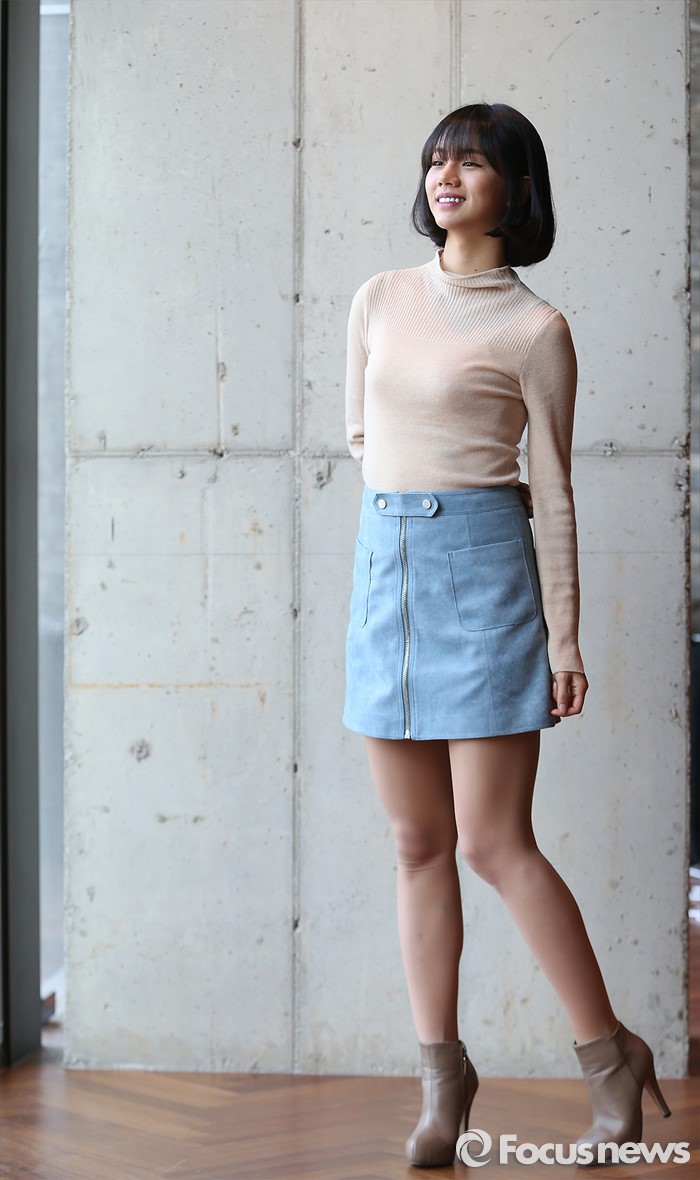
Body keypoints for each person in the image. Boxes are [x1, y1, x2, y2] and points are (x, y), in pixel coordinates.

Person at [342, 103, 671, 1168]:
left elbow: (556, 491)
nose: (446, 175)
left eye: (472, 162)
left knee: (493, 842)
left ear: (515, 189)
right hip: (387, 574)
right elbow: (363, 433)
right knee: (415, 842)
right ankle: (442, 1079)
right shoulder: (379, 298)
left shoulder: (536, 329)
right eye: (436, 158)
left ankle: (608, 1057)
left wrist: (563, 638)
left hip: (484, 573)